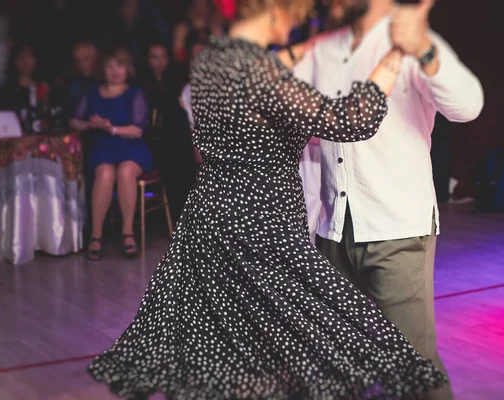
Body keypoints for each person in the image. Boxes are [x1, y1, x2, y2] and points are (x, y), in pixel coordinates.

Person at [87, 0, 447, 398]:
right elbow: (351, 119)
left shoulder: (211, 60)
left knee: (223, 358)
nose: (294, 26)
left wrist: (318, 42)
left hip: (208, 225)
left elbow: (271, 68)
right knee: (346, 349)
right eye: (294, 16)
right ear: (276, 11)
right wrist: (398, 51)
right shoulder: (262, 74)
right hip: (260, 234)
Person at [294, 0, 484, 399]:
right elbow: (301, 123)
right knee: (332, 362)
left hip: (396, 227)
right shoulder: (323, 48)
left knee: (413, 368)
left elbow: (468, 107)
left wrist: (426, 52)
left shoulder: (411, 39)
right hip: (333, 225)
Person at [69, 47, 152, 260]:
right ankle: (96, 235)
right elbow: (73, 121)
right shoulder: (92, 93)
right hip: (103, 146)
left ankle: (128, 233)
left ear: (127, 69)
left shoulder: (135, 94)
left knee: (125, 173)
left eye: (120, 66)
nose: (115, 71)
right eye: (110, 66)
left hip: (130, 145)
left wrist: (111, 128)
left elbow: (138, 130)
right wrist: (90, 124)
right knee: (104, 174)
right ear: (103, 70)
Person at [141, 42, 197, 222]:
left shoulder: (175, 79)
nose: (159, 62)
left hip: (177, 141)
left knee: (178, 122)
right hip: (152, 141)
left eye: (163, 57)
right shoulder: (143, 84)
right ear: (148, 60)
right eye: (154, 57)